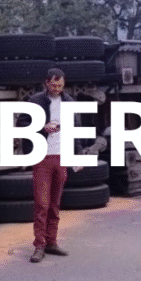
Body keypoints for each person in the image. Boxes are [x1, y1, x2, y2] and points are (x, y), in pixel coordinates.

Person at [24, 68, 80, 263]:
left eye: (60, 85)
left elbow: (76, 130)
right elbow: (23, 124)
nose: (57, 88)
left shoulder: (69, 102)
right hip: (42, 157)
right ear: (46, 83)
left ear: (64, 84)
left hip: (61, 156)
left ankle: (52, 242)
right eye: (53, 84)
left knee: (55, 203)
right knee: (42, 203)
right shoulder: (35, 101)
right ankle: (39, 245)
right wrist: (42, 127)